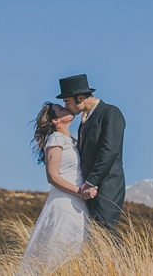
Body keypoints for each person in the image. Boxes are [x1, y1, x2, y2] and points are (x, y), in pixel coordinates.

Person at [17, 103, 90, 275]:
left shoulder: (71, 140)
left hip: (79, 202)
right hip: (66, 202)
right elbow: (52, 176)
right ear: (56, 120)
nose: (67, 109)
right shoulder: (55, 139)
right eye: (62, 109)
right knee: (58, 251)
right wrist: (79, 191)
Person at [57, 74, 126, 231]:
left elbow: (109, 150)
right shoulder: (84, 119)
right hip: (88, 189)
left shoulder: (110, 113)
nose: (66, 106)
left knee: (105, 232)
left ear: (80, 98)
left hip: (107, 185)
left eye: (67, 102)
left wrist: (91, 181)